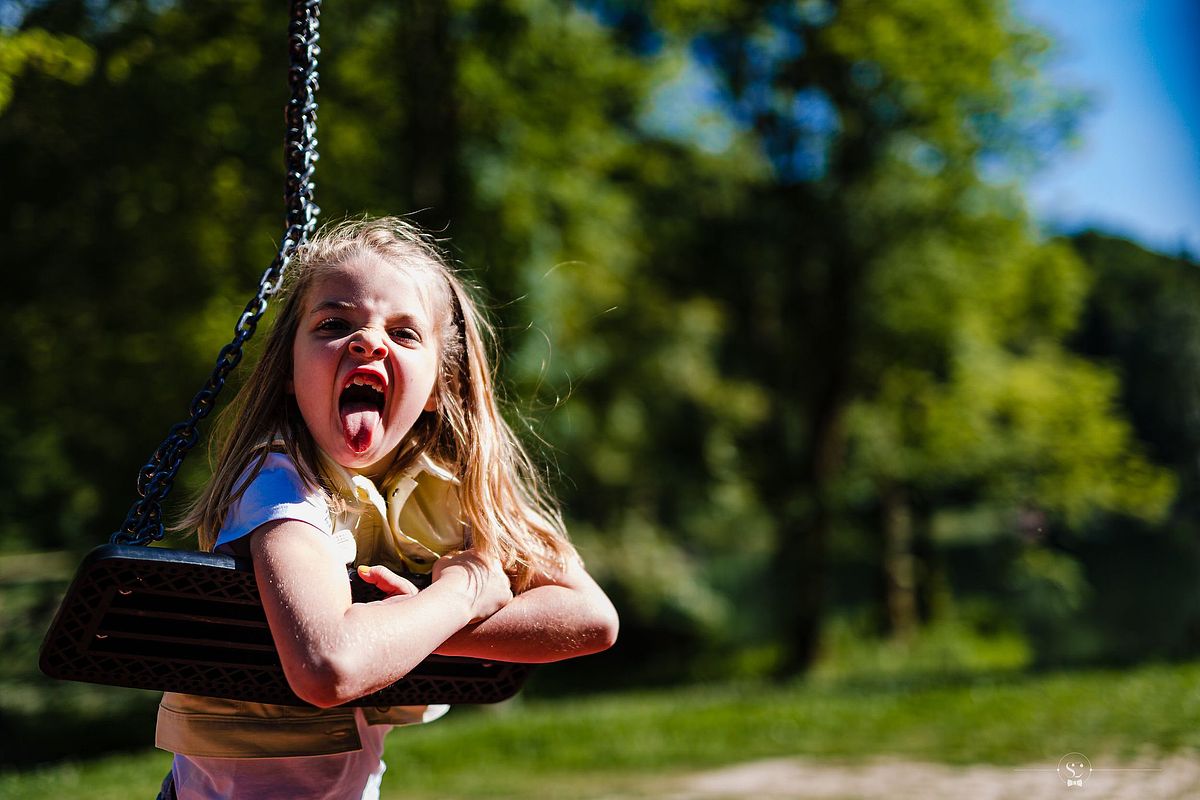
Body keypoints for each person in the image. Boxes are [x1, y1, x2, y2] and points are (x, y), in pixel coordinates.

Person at [155, 217, 619, 800]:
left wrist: (417, 627)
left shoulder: (452, 485)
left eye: (404, 334)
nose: (368, 341)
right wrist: (459, 597)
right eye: (334, 324)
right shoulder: (277, 482)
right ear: (289, 376)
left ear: (439, 386)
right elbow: (330, 667)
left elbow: (593, 618)